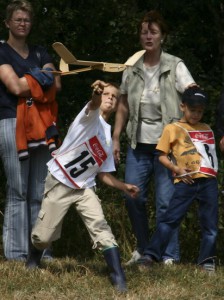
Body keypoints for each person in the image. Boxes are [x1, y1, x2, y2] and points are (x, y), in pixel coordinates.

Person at [26, 80, 139, 293]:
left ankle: (118, 276)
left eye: (114, 96)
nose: (109, 98)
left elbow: (102, 173)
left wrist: (124, 186)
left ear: (116, 105)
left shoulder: (107, 136)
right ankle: (33, 260)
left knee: (101, 227)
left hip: (85, 187)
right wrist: (95, 93)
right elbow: (93, 104)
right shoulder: (89, 117)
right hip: (61, 180)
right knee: (43, 237)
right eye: (106, 93)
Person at [113, 10, 197, 265]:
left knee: (165, 202)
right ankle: (144, 249)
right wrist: (116, 136)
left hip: (167, 148)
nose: (148, 36)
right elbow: (123, 105)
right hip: (138, 145)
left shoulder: (175, 65)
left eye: (153, 32)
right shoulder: (132, 68)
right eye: (144, 32)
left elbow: (193, 96)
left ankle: (169, 255)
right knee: (132, 195)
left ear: (163, 36)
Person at [0, 0, 61, 260]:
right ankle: (16, 254)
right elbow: (14, 87)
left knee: (40, 191)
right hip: (11, 122)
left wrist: (31, 79)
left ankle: (40, 251)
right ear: (7, 23)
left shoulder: (39, 52)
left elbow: (56, 83)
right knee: (18, 191)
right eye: (18, 19)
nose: (23, 24)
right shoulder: (1, 52)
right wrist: (40, 78)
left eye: (26, 20)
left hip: (42, 124)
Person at [138, 86, 218, 273]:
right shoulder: (172, 128)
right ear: (183, 106)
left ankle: (207, 262)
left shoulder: (207, 128)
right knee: (170, 220)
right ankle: (150, 256)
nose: (196, 114)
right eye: (192, 110)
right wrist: (176, 169)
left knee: (210, 224)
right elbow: (161, 155)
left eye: (200, 111)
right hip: (185, 181)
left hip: (208, 182)